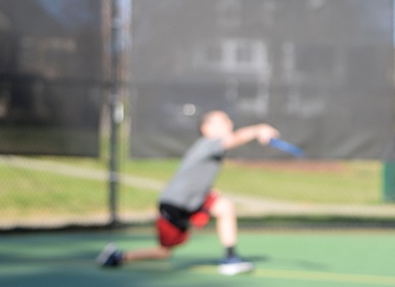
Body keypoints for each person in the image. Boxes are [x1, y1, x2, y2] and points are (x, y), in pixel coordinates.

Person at [97, 110, 279, 275]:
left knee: (225, 206)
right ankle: (118, 256)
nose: (229, 124)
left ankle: (231, 258)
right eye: (223, 121)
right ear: (206, 129)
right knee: (163, 252)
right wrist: (258, 130)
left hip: (195, 201)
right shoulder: (208, 144)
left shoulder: (213, 148)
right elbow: (235, 139)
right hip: (174, 204)